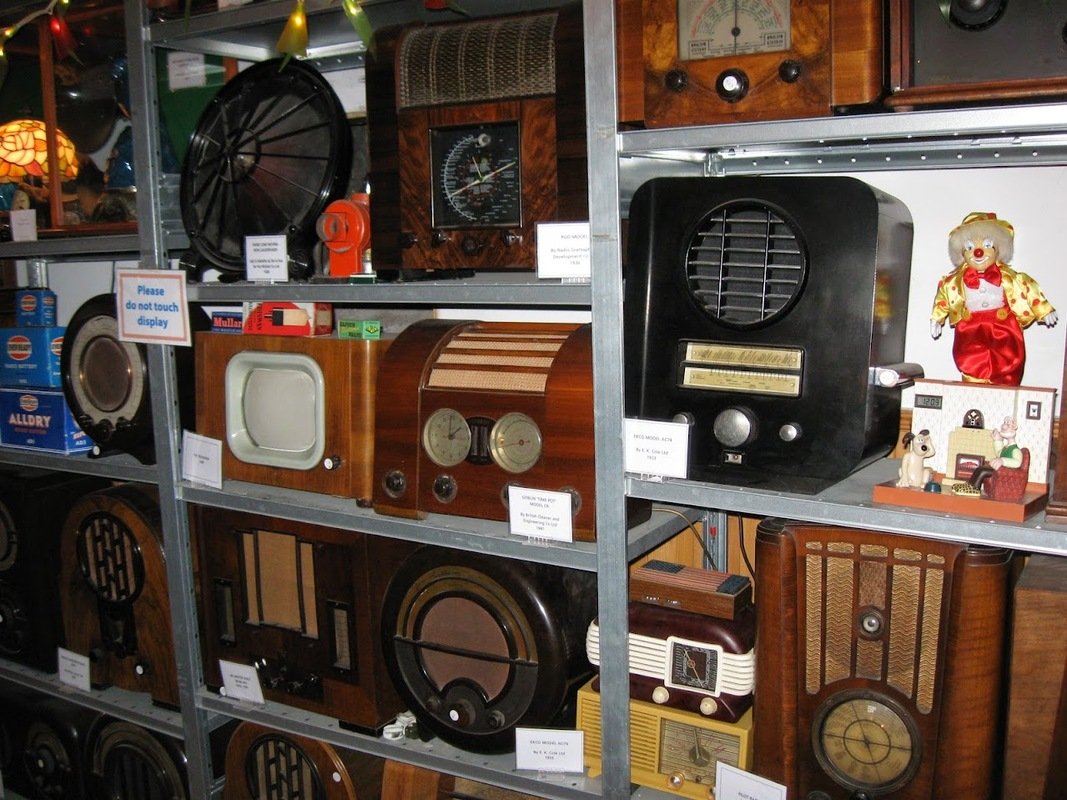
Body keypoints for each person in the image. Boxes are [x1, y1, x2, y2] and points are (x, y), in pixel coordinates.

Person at [930, 211, 1057, 385]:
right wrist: (937, 317)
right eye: (969, 247)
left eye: (987, 244)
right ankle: (973, 394)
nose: (978, 252)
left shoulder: (1011, 277)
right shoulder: (954, 281)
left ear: (999, 249)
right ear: (962, 254)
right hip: (970, 328)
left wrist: (1044, 310)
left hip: (1003, 327)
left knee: (1008, 362)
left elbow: (1029, 289)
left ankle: (1005, 395)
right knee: (970, 362)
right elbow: (943, 297)